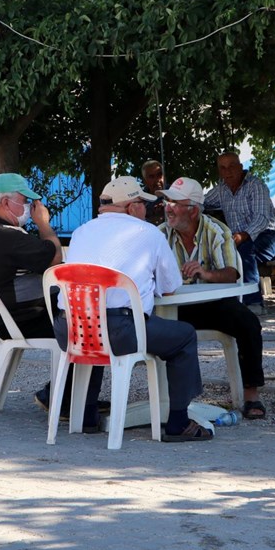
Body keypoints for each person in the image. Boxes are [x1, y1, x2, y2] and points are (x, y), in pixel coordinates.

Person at [55, 176, 211, 442]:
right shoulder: (148, 233)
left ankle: (87, 414)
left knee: (95, 321)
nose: (147, 209)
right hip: (120, 331)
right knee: (184, 336)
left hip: (69, 329)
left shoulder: (81, 231)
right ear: (130, 207)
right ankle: (178, 421)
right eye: (142, 203)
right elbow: (171, 286)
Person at [0, 173, 105, 429]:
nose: (31, 207)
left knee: (82, 323)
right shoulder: (6, 235)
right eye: (25, 200)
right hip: (25, 320)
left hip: (12, 317)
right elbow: (54, 256)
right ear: (5, 202)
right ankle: (73, 404)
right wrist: (44, 224)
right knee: (91, 329)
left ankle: (69, 396)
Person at [158, 177, 268, 419]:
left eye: (175, 203)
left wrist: (205, 273)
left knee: (248, 322)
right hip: (172, 307)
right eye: (167, 201)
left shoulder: (217, 231)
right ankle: (170, 401)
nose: (168, 207)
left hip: (211, 305)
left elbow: (232, 273)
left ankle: (251, 395)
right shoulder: (159, 234)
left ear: (193, 210)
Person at [203, 151, 275, 311]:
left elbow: (261, 219)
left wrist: (243, 236)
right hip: (239, 240)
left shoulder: (256, 185)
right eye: (223, 168)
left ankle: (254, 303)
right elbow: (203, 202)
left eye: (232, 166)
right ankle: (226, 302)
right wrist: (182, 204)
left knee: (245, 251)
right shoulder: (221, 189)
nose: (227, 171)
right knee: (220, 252)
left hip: (270, 236)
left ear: (241, 167)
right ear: (219, 171)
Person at [140, 159, 165, 225]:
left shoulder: (174, 193)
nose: (157, 180)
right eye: (152, 177)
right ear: (145, 181)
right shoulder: (140, 201)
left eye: (159, 175)